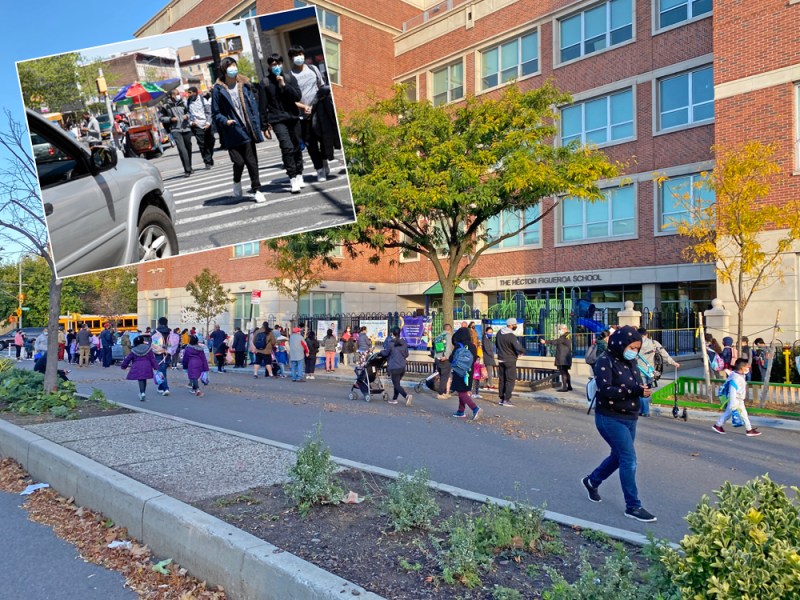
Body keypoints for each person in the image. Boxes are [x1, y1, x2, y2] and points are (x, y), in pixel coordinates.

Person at [581, 326, 656, 523]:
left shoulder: (630, 361)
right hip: (609, 417)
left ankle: (592, 481)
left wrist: (643, 390)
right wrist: (635, 391)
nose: (634, 351)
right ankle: (633, 506)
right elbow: (606, 389)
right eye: (632, 347)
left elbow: (635, 384)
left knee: (618, 456)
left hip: (630, 416)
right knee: (629, 459)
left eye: (637, 348)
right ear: (621, 343)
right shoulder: (604, 361)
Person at [211, 56, 267, 202]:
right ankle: (236, 181)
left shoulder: (244, 84)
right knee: (239, 162)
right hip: (232, 131)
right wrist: (225, 121)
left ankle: (257, 189)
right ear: (224, 70)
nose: (233, 68)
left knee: (251, 161)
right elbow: (215, 113)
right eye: (229, 66)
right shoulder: (218, 90)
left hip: (247, 129)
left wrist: (260, 124)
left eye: (234, 65)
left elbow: (253, 106)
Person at [258, 53, 304, 194]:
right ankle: (292, 178)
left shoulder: (290, 78)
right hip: (277, 119)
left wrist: (284, 85)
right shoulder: (265, 83)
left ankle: (299, 172)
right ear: (269, 66)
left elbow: (297, 96)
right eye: (273, 64)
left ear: (282, 64)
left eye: (278, 64)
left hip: (292, 117)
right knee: (286, 147)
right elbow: (262, 105)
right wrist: (264, 126)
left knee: (296, 145)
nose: (276, 67)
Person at [287, 45, 329, 182]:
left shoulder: (313, 69)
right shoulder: (290, 76)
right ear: (291, 58)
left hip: (319, 110)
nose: (299, 57)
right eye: (295, 55)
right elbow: (290, 99)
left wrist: (316, 103)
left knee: (322, 138)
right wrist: (304, 106)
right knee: (310, 143)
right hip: (302, 115)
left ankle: (324, 161)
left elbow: (322, 88)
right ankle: (319, 169)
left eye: (300, 54)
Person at [713, 358, 762, 437]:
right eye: (746, 366)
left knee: (732, 413)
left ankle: (718, 425)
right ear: (742, 368)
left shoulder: (739, 375)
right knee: (740, 413)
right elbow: (732, 392)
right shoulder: (735, 378)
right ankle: (749, 430)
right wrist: (733, 404)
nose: (748, 367)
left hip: (738, 399)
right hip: (735, 399)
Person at [159, 88, 194, 177]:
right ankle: (187, 170)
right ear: (172, 95)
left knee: (188, 149)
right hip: (175, 130)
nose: (178, 95)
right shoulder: (166, 106)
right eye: (176, 94)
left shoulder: (183, 103)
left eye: (179, 93)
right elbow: (161, 118)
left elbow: (190, 113)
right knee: (182, 150)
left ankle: (189, 166)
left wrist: (187, 116)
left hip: (186, 128)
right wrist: (170, 119)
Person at [449, 326, 481, 420]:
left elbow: (452, 358)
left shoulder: (459, 345)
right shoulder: (472, 346)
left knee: (461, 391)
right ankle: (460, 411)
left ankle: (475, 408)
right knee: (463, 390)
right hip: (469, 371)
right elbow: (474, 358)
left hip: (459, 371)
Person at [120, 335, 159, 402]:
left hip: (137, 366)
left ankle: (142, 393)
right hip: (147, 365)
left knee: (140, 379)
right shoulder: (148, 348)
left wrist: (123, 366)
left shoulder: (134, 350)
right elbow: (152, 359)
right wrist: (156, 367)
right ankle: (143, 392)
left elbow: (128, 359)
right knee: (144, 379)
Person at [495, 318, 524, 407]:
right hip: (510, 359)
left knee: (502, 379)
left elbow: (496, 344)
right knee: (510, 379)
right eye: (515, 325)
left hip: (501, 358)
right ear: (511, 325)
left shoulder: (499, 333)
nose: (516, 326)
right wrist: (522, 351)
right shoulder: (511, 335)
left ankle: (501, 398)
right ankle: (507, 399)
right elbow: (518, 347)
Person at [380, 326, 412, 406]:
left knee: (396, 384)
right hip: (402, 366)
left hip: (394, 366)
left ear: (392, 333)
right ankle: (394, 399)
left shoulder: (391, 343)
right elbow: (406, 354)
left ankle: (406, 396)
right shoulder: (404, 343)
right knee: (397, 383)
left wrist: (381, 352)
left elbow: (386, 353)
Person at [187, 85, 214, 169]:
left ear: (195, 93)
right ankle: (207, 161)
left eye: (190, 93)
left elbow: (209, 112)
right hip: (196, 126)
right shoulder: (187, 102)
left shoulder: (203, 100)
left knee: (211, 141)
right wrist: (191, 122)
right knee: (202, 144)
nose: (189, 94)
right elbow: (187, 114)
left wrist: (208, 123)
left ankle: (209, 156)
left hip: (206, 124)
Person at [150, 317, 173, 396]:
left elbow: (151, 343)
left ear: (159, 323)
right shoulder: (170, 332)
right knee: (163, 371)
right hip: (168, 354)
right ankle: (160, 388)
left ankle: (166, 389)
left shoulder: (155, 332)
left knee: (161, 371)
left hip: (158, 354)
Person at [548, 324, 573, 392]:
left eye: (560, 329)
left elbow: (556, 341)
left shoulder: (564, 336)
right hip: (566, 357)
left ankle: (564, 387)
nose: (559, 330)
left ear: (565, 329)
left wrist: (546, 341)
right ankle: (569, 386)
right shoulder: (567, 336)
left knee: (563, 372)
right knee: (566, 372)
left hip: (562, 357)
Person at [434, 324, 454, 400]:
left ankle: (446, 392)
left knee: (443, 375)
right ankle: (441, 393)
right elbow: (448, 347)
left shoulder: (438, 336)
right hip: (444, 359)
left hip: (437, 358)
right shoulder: (449, 336)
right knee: (444, 377)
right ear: (450, 329)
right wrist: (446, 356)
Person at [481, 326, 497, 390]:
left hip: (488, 357)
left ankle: (485, 385)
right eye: (489, 332)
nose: (490, 333)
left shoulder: (488, 339)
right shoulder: (485, 339)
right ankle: (490, 384)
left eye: (491, 332)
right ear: (486, 332)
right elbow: (487, 349)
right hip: (488, 357)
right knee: (489, 372)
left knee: (487, 372)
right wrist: (492, 355)